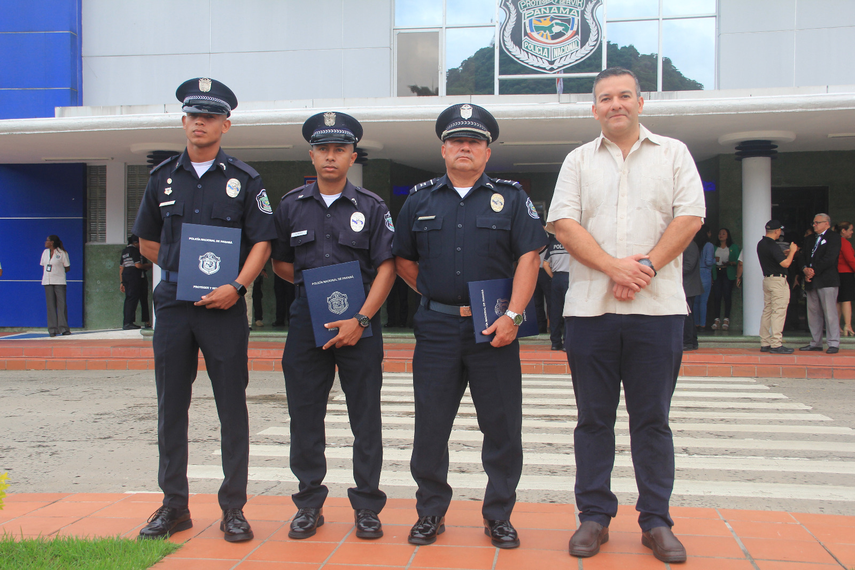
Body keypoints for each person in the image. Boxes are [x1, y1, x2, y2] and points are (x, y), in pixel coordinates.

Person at [548, 67, 704, 564]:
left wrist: (646, 267)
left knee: (652, 420)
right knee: (593, 420)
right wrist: (615, 266)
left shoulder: (675, 153)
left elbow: (690, 217)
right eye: (604, 98)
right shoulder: (576, 160)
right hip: (590, 311)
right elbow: (563, 225)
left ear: (641, 101)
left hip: (657, 311)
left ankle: (656, 521)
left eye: (623, 96)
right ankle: (594, 517)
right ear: (594, 108)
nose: (615, 104)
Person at [393, 103, 547, 550]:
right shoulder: (419, 199)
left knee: (501, 427)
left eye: (475, 141)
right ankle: (430, 513)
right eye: (457, 141)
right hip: (437, 329)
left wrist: (514, 314)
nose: (465, 147)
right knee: (431, 426)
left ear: (487, 152)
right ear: (443, 149)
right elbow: (402, 258)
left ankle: (498, 515)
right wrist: (437, 295)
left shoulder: (512, 198)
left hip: (494, 331)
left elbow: (529, 256)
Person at [133, 77, 275, 542]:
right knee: (171, 406)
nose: (200, 122)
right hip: (174, 304)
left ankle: (233, 508)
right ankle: (174, 505)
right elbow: (147, 241)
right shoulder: (161, 178)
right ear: (183, 121)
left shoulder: (245, 180)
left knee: (231, 407)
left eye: (210, 116)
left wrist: (236, 285)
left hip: (226, 307)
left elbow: (262, 242)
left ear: (225, 125)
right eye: (193, 115)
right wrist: (180, 271)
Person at [271, 112, 396, 541]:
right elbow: (281, 263)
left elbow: (387, 267)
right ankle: (309, 503)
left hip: (361, 324)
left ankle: (367, 507)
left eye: (339, 149)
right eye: (323, 149)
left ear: (352, 155)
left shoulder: (372, 207)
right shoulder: (290, 205)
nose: (330, 156)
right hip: (308, 320)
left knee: (366, 417)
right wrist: (316, 290)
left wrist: (360, 317)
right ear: (311, 154)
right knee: (305, 415)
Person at [800, 214, 841, 353]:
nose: (814, 225)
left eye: (818, 222)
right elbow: (802, 256)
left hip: (827, 280)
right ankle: (815, 342)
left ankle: (833, 343)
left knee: (830, 312)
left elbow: (830, 258)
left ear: (827, 224)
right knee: (813, 313)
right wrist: (805, 269)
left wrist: (814, 270)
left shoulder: (833, 237)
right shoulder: (809, 239)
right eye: (814, 222)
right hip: (812, 281)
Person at [757, 220, 799, 353]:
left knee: (768, 311)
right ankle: (776, 343)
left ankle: (765, 342)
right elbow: (785, 264)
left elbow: (775, 259)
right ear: (777, 231)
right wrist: (792, 252)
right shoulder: (773, 245)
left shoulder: (761, 244)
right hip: (778, 281)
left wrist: (784, 254)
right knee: (778, 311)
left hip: (767, 279)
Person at [543, 228, 570, 351]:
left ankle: (555, 342)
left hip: (556, 279)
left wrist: (554, 276)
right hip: (570, 277)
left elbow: (545, 264)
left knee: (555, 311)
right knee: (569, 311)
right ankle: (567, 343)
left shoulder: (553, 245)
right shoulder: (571, 244)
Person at [41, 234, 71, 337]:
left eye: (47, 240)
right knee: (50, 306)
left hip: (59, 281)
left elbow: (67, 267)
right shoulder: (45, 253)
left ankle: (64, 328)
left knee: (61, 305)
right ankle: (52, 329)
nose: (45, 242)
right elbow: (43, 266)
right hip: (47, 281)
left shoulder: (62, 253)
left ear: (52, 242)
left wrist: (58, 271)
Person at [119, 234, 152, 330]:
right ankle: (140, 322)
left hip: (126, 277)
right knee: (140, 299)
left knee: (129, 299)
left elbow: (121, 267)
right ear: (135, 243)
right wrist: (150, 265)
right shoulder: (135, 251)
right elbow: (138, 265)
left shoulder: (124, 251)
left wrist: (121, 282)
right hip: (136, 278)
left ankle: (127, 321)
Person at [710, 228, 740, 331]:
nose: (721, 235)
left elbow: (738, 260)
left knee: (727, 295)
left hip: (727, 272)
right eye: (719, 233)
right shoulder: (714, 248)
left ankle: (726, 319)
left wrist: (730, 263)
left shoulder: (733, 247)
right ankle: (716, 319)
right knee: (717, 296)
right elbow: (710, 261)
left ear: (728, 235)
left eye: (723, 233)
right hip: (717, 272)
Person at [833, 221, 855, 336]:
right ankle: (848, 325)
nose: (852, 232)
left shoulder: (834, 241)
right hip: (846, 274)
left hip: (837, 273)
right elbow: (850, 259)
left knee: (838, 301)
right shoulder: (844, 242)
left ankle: (837, 327)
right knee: (846, 300)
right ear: (843, 230)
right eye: (850, 230)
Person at [693, 225, 714, 330]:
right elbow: (709, 262)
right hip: (705, 273)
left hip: (696, 274)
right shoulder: (709, 245)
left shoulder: (695, 244)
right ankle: (703, 324)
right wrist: (716, 261)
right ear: (707, 233)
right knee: (703, 301)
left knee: (696, 301)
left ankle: (696, 323)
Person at [682, 240, 702, 351]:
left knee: (687, 315)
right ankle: (692, 341)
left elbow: (688, 265)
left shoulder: (690, 244)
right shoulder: (689, 244)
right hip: (687, 285)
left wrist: (674, 271)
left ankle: (688, 342)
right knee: (688, 315)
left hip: (688, 286)